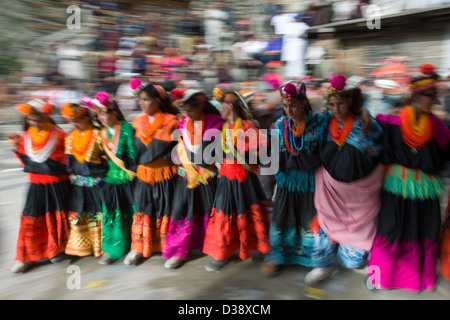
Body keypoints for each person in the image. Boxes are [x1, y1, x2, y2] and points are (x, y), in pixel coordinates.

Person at [367, 71, 450, 292]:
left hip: (426, 194)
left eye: (435, 97)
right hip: (396, 191)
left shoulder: (440, 130)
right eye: (430, 96)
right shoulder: (390, 123)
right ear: (416, 96)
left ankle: (419, 279)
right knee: (390, 231)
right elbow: (371, 139)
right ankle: (376, 277)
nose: (434, 101)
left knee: (423, 232)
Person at [305, 75, 384, 285]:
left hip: (359, 198)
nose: (336, 108)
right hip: (330, 194)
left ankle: (352, 257)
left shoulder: (367, 124)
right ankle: (325, 263)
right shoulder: (323, 123)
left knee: (353, 261)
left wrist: (365, 112)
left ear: (350, 101)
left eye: (340, 103)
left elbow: (377, 152)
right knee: (323, 230)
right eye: (331, 104)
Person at [261, 82, 328, 275]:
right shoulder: (280, 125)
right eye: (285, 106)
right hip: (286, 182)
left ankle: (312, 257)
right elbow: (273, 157)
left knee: (308, 218)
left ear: (303, 104)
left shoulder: (318, 121)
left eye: (293, 105)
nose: (289, 110)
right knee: (282, 218)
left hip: (309, 182)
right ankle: (277, 256)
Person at [202, 89, 271, 272]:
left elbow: (263, 152)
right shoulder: (220, 129)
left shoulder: (248, 128)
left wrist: (239, 152)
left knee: (250, 215)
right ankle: (222, 253)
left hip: (245, 181)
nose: (220, 109)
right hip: (226, 179)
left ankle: (256, 247)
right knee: (225, 217)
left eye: (222, 105)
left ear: (230, 106)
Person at [163, 90, 224, 269]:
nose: (187, 114)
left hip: (207, 178)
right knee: (184, 213)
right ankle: (181, 250)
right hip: (186, 178)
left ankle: (215, 249)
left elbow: (209, 155)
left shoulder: (216, 123)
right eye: (185, 110)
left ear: (201, 106)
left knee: (209, 213)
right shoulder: (182, 124)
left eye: (191, 110)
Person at [8, 99, 70, 272]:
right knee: (32, 219)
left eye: (39, 120)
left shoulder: (59, 136)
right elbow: (26, 161)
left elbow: (67, 162)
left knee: (57, 218)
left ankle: (57, 250)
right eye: (32, 120)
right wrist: (16, 146)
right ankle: (27, 256)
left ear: (48, 117)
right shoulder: (26, 137)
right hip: (36, 185)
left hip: (57, 185)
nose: (35, 123)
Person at [123, 79, 180, 265]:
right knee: (143, 209)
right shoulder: (137, 122)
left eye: (146, 99)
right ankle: (139, 248)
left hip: (165, 176)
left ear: (157, 100)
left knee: (165, 210)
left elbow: (174, 151)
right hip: (144, 176)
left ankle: (171, 248)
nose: (142, 103)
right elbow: (133, 152)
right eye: (140, 99)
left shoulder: (170, 122)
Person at [90, 91, 137, 265]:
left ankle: (134, 246)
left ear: (114, 112)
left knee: (131, 214)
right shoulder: (99, 133)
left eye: (104, 113)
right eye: (99, 114)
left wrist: (131, 172)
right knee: (111, 215)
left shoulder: (126, 128)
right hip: (109, 180)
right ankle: (112, 249)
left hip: (128, 179)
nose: (101, 117)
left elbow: (133, 153)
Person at [61, 101, 107, 259]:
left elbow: (106, 159)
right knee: (80, 214)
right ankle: (83, 247)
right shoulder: (69, 137)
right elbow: (69, 163)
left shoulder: (98, 134)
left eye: (78, 119)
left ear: (88, 117)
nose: (75, 123)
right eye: (71, 120)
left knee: (98, 214)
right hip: (79, 186)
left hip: (98, 184)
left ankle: (100, 247)